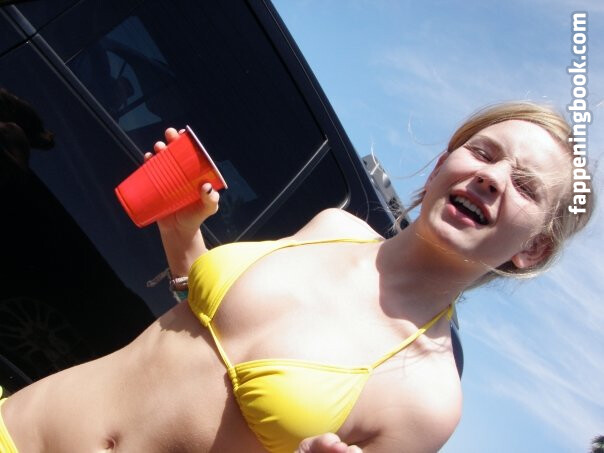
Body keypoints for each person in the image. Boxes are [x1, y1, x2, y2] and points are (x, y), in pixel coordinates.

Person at [0, 101, 593, 453]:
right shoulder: (333, 225)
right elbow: (203, 316)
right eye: (484, 153)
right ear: (443, 164)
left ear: (533, 249)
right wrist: (182, 231)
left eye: (525, 186)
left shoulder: (431, 399)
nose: (492, 177)